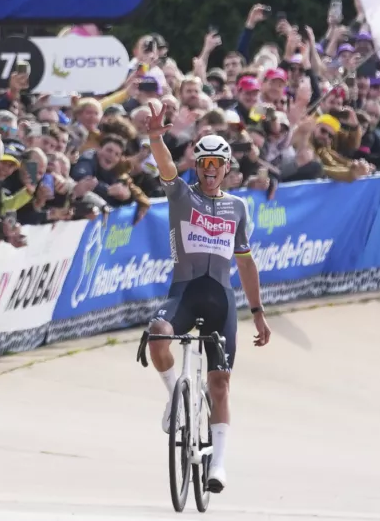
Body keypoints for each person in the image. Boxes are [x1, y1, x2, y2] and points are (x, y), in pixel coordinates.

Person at [142, 101, 272, 494]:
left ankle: (218, 464)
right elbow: (165, 166)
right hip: (184, 292)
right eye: (204, 165)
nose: (211, 172)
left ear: (227, 168)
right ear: (197, 167)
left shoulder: (238, 207)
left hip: (220, 299)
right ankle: (174, 398)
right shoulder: (182, 195)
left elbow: (247, 266)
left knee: (220, 385)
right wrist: (154, 137)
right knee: (158, 335)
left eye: (218, 165)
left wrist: (258, 313)